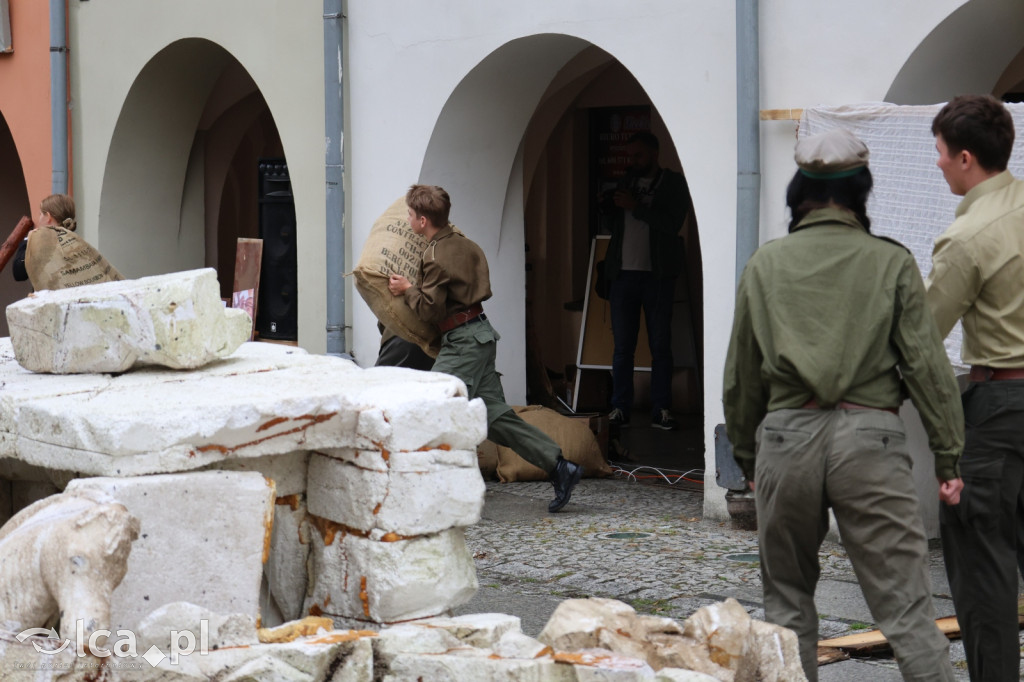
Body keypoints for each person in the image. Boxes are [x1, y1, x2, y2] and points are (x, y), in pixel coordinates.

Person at [723, 128, 964, 682]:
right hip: (871, 441)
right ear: (862, 189)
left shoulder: (766, 265)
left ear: (798, 189)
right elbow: (927, 369)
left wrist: (749, 458)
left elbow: (740, 378)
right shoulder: (891, 262)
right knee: (906, 611)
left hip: (786, 440)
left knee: (785, 607)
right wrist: (949, 459)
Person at [388, 184, 582, 512]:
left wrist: (407, 289)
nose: (407, 219)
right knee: (495, 418)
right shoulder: (466, 244)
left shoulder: (436, 254)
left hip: (463, 342)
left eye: (409, 215)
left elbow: (429, 310)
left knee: (432, 405)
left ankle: (430, 487)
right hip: (480, 335)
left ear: (422, 220)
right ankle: (560, 466)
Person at [927, 94, 1024, 681]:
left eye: (939, 153)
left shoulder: (968, 236)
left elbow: (922, 338)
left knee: (984, 563)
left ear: (966, 158)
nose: (936, 164)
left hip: (999, 403)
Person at [600, 131, 690, 430]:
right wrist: (610, 206)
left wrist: (636, 208)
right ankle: (619, 408)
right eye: (630, 156)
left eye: (638, 155)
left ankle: (661, 408)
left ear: (654, 153)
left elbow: (672, 223)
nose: (633, 161)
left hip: (657, 275)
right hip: (623, 274)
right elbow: (615, 226)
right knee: (622, 347)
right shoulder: (625, 183)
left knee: (660, 345)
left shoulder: (673, 184)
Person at [12, 193, 77, 283]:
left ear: (48, 217)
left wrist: (28, 242)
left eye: (40, 214)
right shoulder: (75, 241)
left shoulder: (42, 243)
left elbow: (19, 273)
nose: (39, 219)